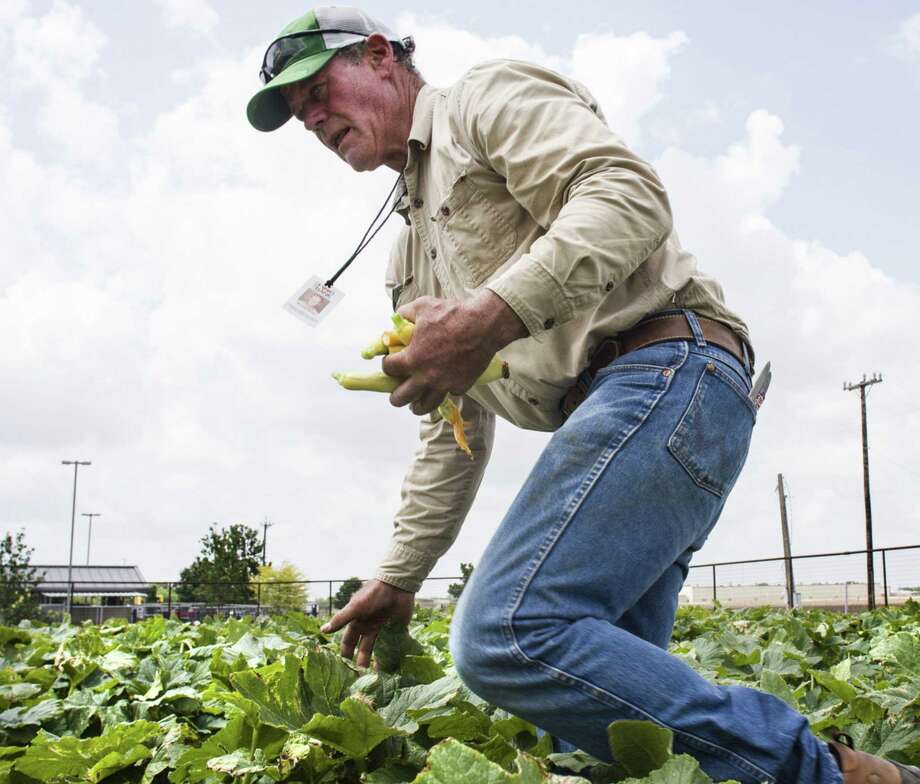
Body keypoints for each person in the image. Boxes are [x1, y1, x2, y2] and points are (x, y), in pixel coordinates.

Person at [246, 9, 918, 784]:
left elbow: (627, 196)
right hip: (627, 414)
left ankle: (832, 775)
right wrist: (400, 575)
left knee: (507, 632)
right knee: (630, 735)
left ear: (378, 56)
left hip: (666, 374)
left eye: (317, 89)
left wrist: (488, 317)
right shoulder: (408, 249)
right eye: (298, 115)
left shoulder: (480, 102)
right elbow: (450, 426)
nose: (312, 117)